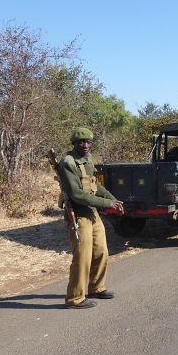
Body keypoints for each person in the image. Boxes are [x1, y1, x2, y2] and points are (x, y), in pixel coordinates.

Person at [58, 128, 124, 309]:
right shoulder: (68, 162)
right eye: (81, 142)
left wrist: (112, 199)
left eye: (88, 142)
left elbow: (96, 185)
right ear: (74, 144)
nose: (85, 145)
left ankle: (96, 287)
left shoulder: (88, 159)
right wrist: (106, 204)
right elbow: (77, 194)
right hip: (78, 215)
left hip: (92, 212)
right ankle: (75, 298)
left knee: (101, 251)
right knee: (83, 257)